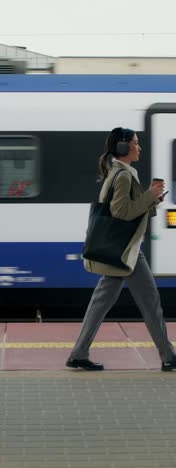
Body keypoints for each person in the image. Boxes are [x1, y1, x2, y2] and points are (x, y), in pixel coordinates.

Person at [66, 127, 176, 372]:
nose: (139, 147)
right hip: (126, 249)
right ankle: (168, 356)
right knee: (150, 302)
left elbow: (127, 209)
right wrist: (148, 196)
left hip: (121, 248)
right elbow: (121, 212)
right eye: (136, 143)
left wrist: (152, 200)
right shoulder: (124, 175)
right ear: (124, 147)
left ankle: (79, 353)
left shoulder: (118, 172)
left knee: (100, 303)